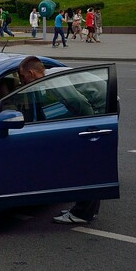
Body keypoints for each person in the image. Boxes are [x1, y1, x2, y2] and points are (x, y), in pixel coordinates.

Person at [17, 56, 98, 225]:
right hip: (105, 105)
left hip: (103, 109)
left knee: (87, 164)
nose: (22, 82)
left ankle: (82, 213)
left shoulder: (53, 82)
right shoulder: (52, 74)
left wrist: (87, 128)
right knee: (90, 163)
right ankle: (88, 210)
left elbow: (80, 103)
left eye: (22, 77)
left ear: (31, 73)